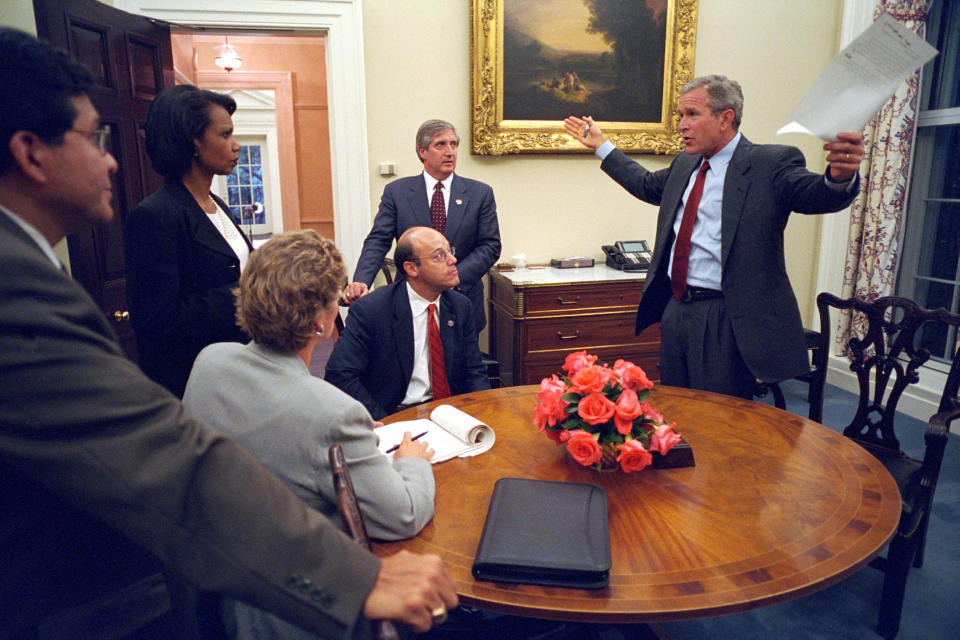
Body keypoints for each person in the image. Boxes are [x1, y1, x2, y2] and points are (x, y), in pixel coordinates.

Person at [0, 26, 456, 638]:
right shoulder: (26, 282)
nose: (110, 158)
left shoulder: (215, 226)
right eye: (94, 136)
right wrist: (357, 578)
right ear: (31, 153)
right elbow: (177, 458)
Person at [183, 229, 437, 639]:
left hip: (214, 588)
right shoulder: (331, 411)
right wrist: (412, 465)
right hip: (301, 607)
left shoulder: (209, 361)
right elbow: (402, 516)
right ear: (321, 320)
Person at [564, 75, 865, 399]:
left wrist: (839, 177)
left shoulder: (770, 163)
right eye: (680, 115)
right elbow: (647, 184)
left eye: (692, 114)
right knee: (677, 409)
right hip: (677, 308)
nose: (681, 124)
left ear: (726, 118)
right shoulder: (686, 164)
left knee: (722, 418)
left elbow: (817, 194)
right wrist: (601, 146)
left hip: (726, 316)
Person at [125, 84, 254, 398]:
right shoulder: (155, 215)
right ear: (192, 141)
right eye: (225, 135)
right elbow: (157, 320)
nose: (236, 145)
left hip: (237, 370)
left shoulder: (216, 204)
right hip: (193, 384)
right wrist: (247, 292)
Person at [343, 119, 501, 331]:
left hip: (462, 296)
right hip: (410, 298)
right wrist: (362, 280)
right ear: (422, 152)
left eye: (453, 144)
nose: (450, 152)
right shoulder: (397, 192)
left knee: (460, 363)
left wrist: (452, 277)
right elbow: (378, 240)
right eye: (440, 144)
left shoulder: (479, 193)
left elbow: (490, 246)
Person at [327, 226, 490, 419]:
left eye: (449, 251)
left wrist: (481, 413)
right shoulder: (372, 310)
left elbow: (474, 371)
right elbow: (340, 375)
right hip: (393, 412)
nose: (453, 260)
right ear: (411, 268)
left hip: (449, 412)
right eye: (439, 256)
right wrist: (384, 423)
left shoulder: (460, 306)